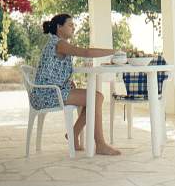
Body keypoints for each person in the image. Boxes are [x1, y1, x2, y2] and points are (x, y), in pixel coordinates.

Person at [30, 13, 121, 155]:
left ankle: (73, 134)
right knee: (96, 98)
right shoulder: (59, 44)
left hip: (50, 91)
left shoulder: (57, 42)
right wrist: (114, 52)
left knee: (95, 98)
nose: (74, 28)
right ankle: (99, 144)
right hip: (47, 94)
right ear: (59, 27)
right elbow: (86, 52)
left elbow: (53, 70)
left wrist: (67, 81)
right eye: (70, 25)